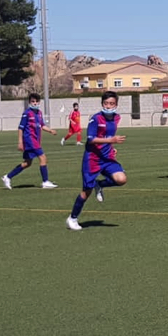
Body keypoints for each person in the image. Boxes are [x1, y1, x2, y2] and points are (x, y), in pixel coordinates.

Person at [66, 91, 127, 231]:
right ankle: (72, 218)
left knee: (121, 179)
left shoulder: (117, 117)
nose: (109, 106)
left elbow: (107, 135)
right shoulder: (96, 119)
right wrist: (111, 140)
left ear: (116, 105)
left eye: (112, 104)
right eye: (106, 103)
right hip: (92, 159)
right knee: (86, 191)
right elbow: (91, 139)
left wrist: (111, 147)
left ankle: (99, 184)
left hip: (107, 157)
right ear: (102, 104)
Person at [2, 93, 59, 189]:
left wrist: (50, 130)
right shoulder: (27, 113)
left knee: (27, 163)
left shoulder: (39, 113)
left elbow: (42, 125)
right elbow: (20, 128)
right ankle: (45, 182)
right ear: (29, 102)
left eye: (36, 101)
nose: (35, 103)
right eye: (33, 101)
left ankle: (7, 177)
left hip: (36, 140)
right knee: (43, 158)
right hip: (30, 140)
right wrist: (20, 142)